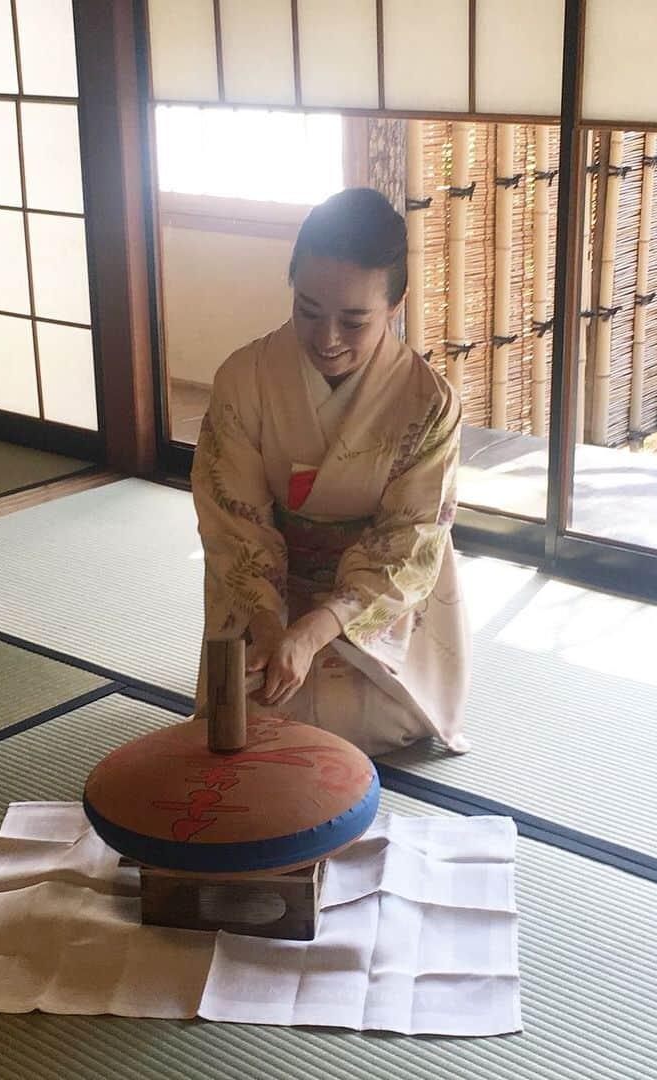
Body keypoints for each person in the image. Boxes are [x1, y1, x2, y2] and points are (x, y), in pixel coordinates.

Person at [191, 187, 470, 757]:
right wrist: (272, 628)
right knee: (252, 706)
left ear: (396, 305)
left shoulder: (429, 403)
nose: (327, 338)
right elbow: (233, 519)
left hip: (369, 592)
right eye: (309, 311)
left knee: (375, 722)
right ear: (292, 283)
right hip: (268, 582)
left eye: (354, 320)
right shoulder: (244, 380)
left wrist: (316, 628)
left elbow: (410, 539)